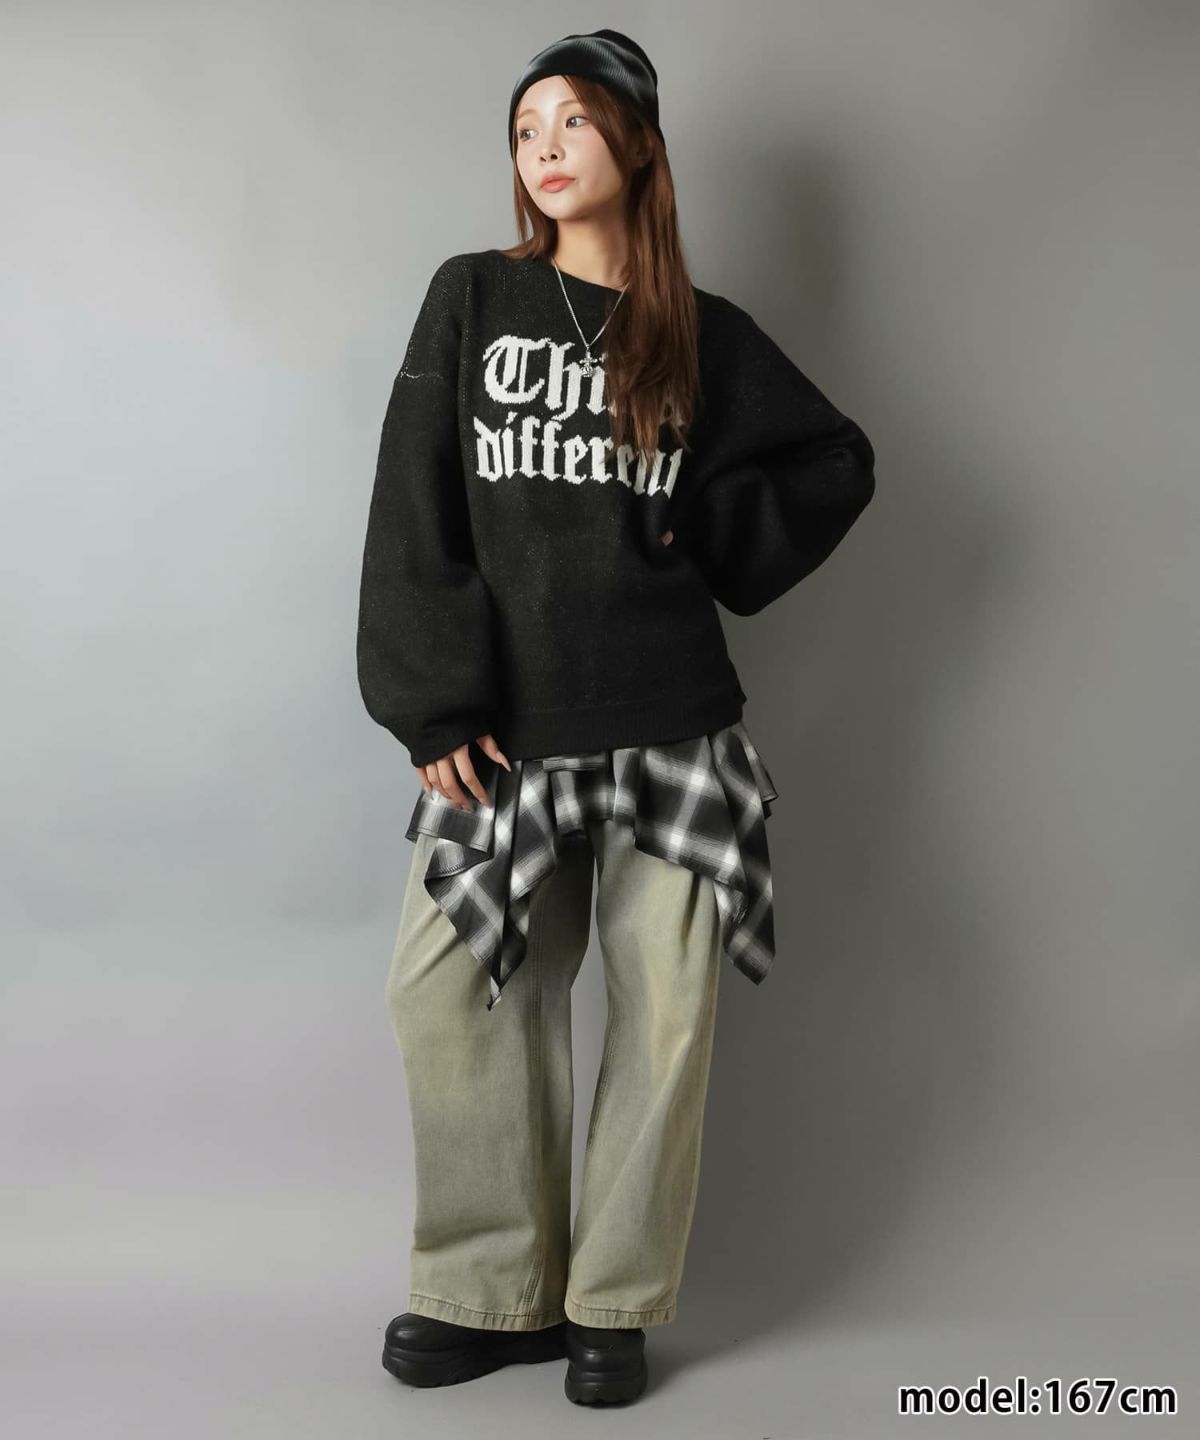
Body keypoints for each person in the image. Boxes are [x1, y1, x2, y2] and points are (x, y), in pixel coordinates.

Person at [356, 28, 876, 1407]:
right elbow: (415, 499)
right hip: (507, 733)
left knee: (666, 1019)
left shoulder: (699, 332)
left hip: (672, 728)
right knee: (453, 994)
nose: (544, 146)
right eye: (526, 126)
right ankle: (489, 1293)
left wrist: (712, 534)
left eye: (574, 121)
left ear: (637, 146)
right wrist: (430, 701)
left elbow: (835, 458)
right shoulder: (473, 298)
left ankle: (611, 1307)